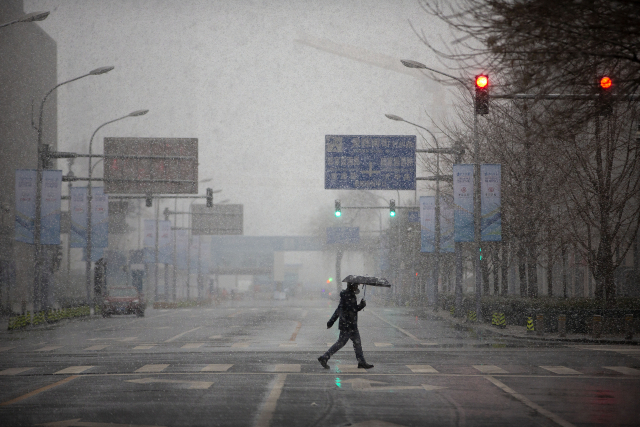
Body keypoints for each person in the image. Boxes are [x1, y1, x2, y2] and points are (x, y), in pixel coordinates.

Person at [318, 282, 374, 369]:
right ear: (352, 286)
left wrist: (331, 321)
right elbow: (352, 310)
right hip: (348, 325)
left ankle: (361, 362)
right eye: (356, 285)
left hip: (349, 325)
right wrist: (361, 306)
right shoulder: (348, 296)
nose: (357, 286)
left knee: (356, 343)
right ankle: (325, 357)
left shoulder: (348, 295)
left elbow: (339, 309)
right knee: (342, 343)